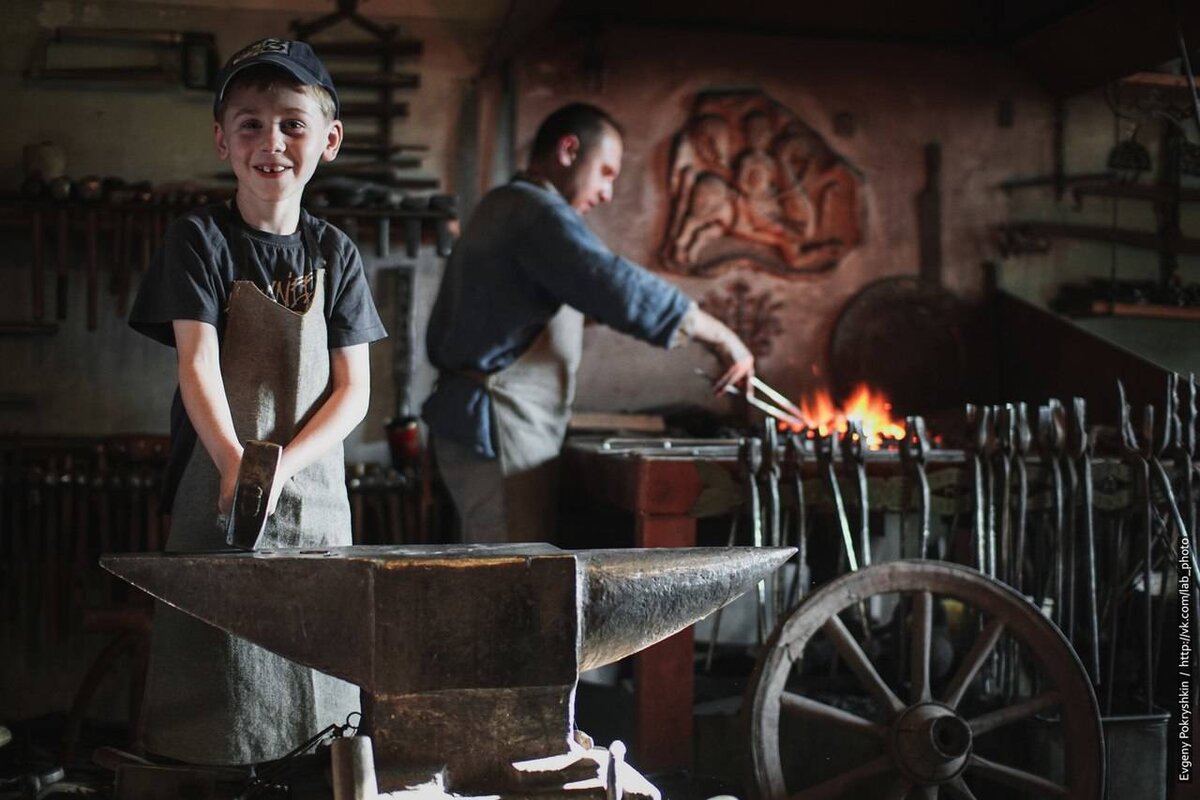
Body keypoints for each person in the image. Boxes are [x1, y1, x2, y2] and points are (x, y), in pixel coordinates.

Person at [128, 38, 386, 765]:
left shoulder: (336, 254)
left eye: (292, 124)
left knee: (319, 688)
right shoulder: (199, 240)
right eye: (249, 123)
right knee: (218, 693)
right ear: (222, 140)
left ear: (328, 140)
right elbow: (198, 365)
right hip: (216, 483)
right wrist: (238, 466)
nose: (271, 142)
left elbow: (353, 390)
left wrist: (280, 466)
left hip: (316, 493)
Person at [423, 103, 754, 544]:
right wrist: (721, 336)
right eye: (606, 172)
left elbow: (574, 299)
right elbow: (610, 283)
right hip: (497, 424)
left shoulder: (504, 204)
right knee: (507, 577)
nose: (606, 193)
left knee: (502, 571)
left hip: (483, 423)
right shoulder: (535, 212)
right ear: (568, 150)